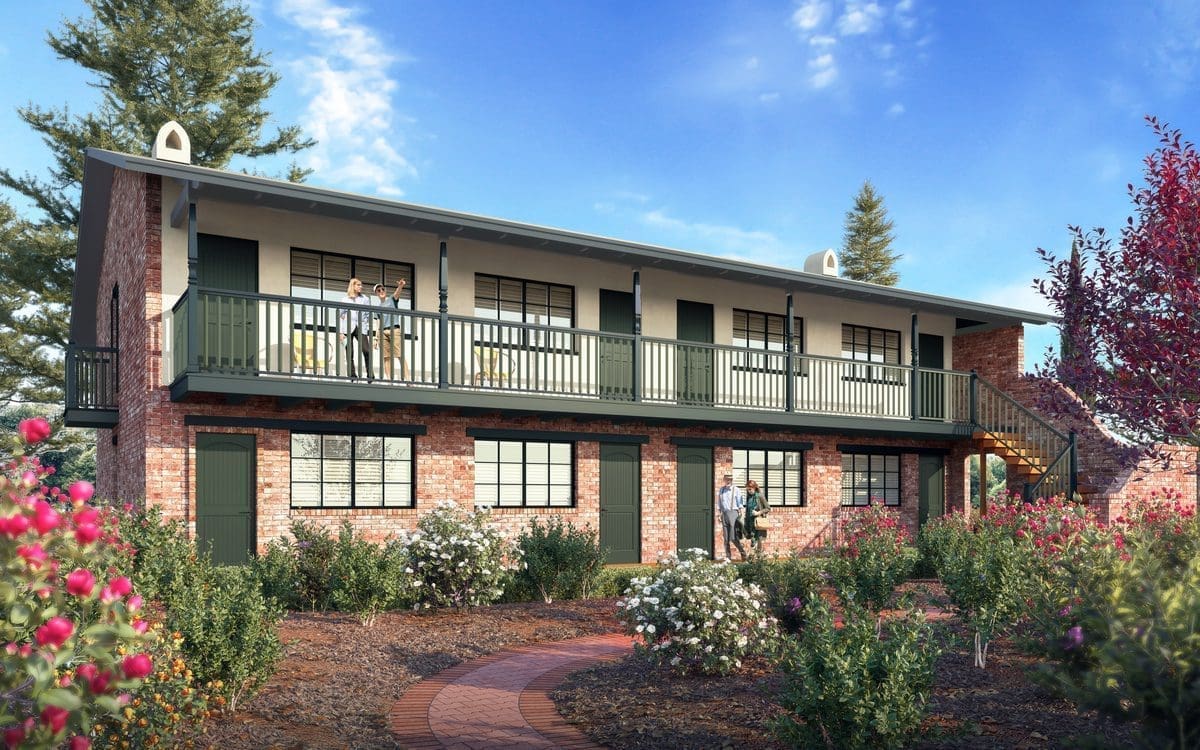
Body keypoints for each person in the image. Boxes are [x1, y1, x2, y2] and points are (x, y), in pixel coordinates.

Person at [373, 279, 410, 380]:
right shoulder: (377, 308)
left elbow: (397, 293)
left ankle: (408, 379)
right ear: (376, 293)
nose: (381, 291)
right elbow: (378, 324)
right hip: (382, 333)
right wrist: (376, 339)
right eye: (378, 290)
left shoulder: (391, 299)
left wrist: (401, 286)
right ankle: (389, 380)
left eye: (382, 289)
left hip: (394, 330)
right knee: (386, 357)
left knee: (400, 355)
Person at [338, 277, 373, 380]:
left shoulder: (365, 299)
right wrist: (340, 332)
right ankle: (352, 375)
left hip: (361, 327)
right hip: (347, 327)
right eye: (358, 285)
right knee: (349, 352)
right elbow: (340, 316)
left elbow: (367, 314)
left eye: (361, 285)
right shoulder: (345, 299)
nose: (360, 287)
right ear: (353, 286)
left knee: (366, 350)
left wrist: (366, 328)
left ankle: (370, 374)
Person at [716, 472, 748, 561]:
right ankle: (728, 557)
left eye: (730, 479)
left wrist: (741, 514)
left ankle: (743, 553)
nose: (728, 481)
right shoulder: (721, 490)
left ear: (732, 480)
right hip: (724, 514)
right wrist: (719, 514)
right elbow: (719, 503)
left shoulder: (736, 490)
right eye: (727, 479)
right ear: (724, 480)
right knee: (726, 539)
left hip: (733, 513)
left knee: (733, 537)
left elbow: (740, 503)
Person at [743, 479, 770, 554]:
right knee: (752, 540)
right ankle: (754, 561)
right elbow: (748, 509)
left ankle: (759, 560)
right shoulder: (749, 497)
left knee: (759, 540)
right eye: (747, 489)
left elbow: (768, 508)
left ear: (754, 488)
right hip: (750, 522)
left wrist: (758, 513)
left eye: (750, 489)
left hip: (758, 522)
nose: (749, 491)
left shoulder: (760, 496)